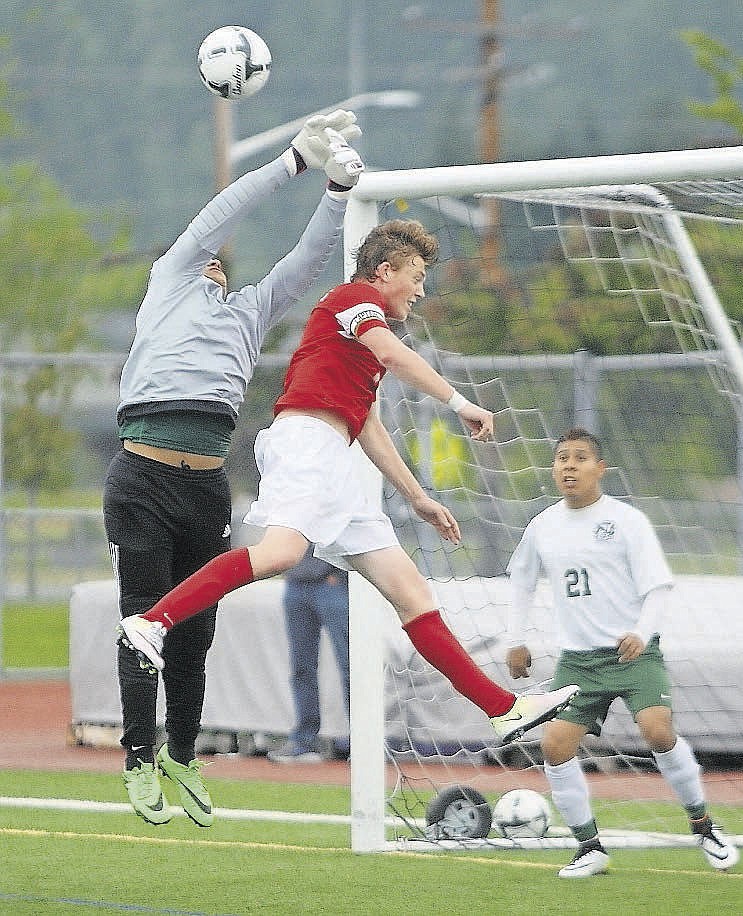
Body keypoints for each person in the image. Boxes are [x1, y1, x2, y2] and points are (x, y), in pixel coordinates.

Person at [117, 218, 579, 755]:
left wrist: (417, 497)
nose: (422, 289)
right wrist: (460, 403)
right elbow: (392, 355)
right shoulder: (355, 300)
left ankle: (503, 708)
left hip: (335, 459)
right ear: (385, 272)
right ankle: (151, 624)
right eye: (417, 275)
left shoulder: (362, 345)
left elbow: (368, 425)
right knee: (281, 554)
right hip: (306, 442)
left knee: (411, 593)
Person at [104, 109, 365, 827]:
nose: (214, 260)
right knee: (142, 623)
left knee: (195, 634)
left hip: (205, 485)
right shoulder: (169, 279)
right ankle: (137, 756)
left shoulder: (249, 312)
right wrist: (294, 162)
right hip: (143, 477)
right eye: (207, 254)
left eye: (220, 259)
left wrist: (338, 194)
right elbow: (224, 210)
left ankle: (182, 754)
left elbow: (306, 262)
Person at [505, 427, 740, 877]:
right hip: (578, 661)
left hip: (633, 654)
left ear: (600, 468)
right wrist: (515, 638)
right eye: (561, 459)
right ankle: (589, 847)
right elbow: (521, 581)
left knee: (657, 731)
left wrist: (640, 631)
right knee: (554, 746)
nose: (569, 466)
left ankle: (704, 824)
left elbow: (659, 587)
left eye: (579, 458)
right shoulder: (543, 526)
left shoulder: (627, 521)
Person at [269, 544, 350, 763]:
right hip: (296, 584)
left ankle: (363, 740)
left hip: (330, 583)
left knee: (350, 665)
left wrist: (340, 574)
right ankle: (304, 741)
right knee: (301, 667)